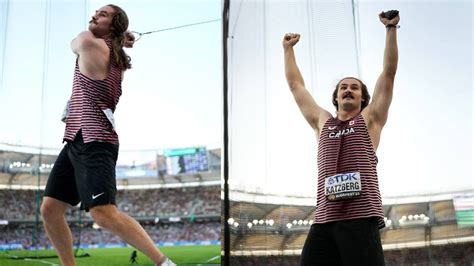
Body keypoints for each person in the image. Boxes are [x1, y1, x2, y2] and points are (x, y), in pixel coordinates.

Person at [40, 5, 175, 266]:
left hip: (95, 140)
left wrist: (121, 38)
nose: (93, 15)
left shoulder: (89, 43)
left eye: (102, 15)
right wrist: (121, 38)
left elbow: (73, 43)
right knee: (50, 209)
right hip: (77, 138)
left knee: (103, 214)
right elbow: (112, 46)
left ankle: (164, 263)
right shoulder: (116, 57)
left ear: (113, 25)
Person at [283, 11, 400, 265]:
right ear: (336, 98)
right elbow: (296, 86)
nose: (348, 89)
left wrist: (391, 29)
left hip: (361, 219)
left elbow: (388, 74)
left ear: (363, 99)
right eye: (343, 87)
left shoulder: (370, 120)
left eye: (355, 87)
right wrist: (288, 50)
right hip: (324, 221)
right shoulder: (322, 121)